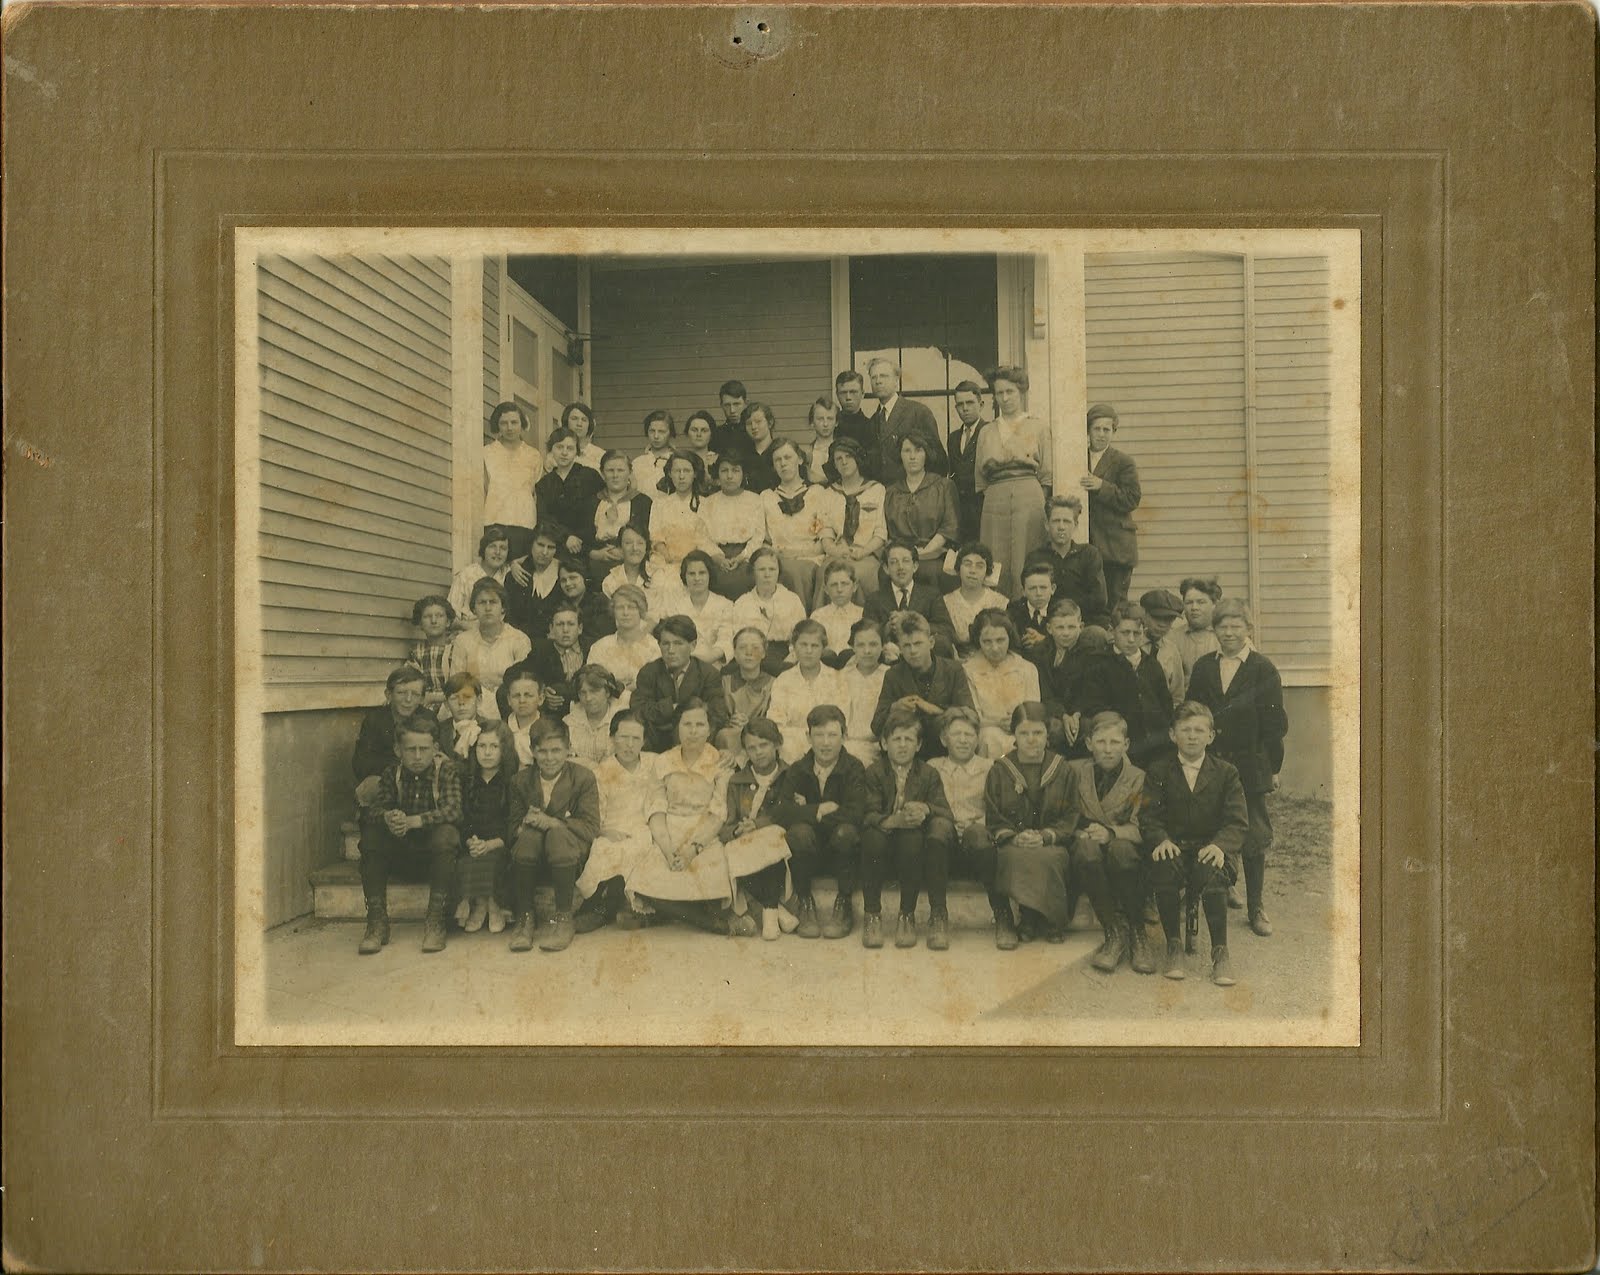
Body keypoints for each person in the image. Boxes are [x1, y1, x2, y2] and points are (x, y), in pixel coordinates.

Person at [627, 700, 787, 937]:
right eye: (687, 724)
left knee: (709, 884)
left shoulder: (720, 762)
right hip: (667, 834)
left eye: (700, 724)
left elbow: (718, 812)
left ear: (710, 729)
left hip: (705, 835)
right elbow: (656, 809)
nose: (693, 731)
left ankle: (679, 913)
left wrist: (692, 849)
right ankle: (714, 924)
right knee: (643, 885)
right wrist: (669, 849)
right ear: (677, 727)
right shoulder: (663, 761)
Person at [1186, 599, 1288, 938]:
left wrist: (1273, 767)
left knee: (1254, 834)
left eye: (1236, 627)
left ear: (1248, 630)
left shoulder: (1263, 669)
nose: (1229, 633)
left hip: (1251, 764)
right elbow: (1192, 712)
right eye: (1223, 627)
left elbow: (1274, 723)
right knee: (1213, 826)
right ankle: (1224, 887)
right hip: (1212, 763)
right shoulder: (1203, 668)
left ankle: (1256, 905)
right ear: (1214, 631)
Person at [1141, 701, 1249, 985]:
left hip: (1210, 845)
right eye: (1185, 730)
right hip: (1175, 845)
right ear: (1172, 734)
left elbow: (1237, 821)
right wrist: (1161, 839)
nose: (1192, 736)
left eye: (1199, 730)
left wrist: (1220, 845)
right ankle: (1173, 945)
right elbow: (1149, 815)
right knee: (1163, 867)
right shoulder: (1159, 770)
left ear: (1211, 736)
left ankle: (1220, 953)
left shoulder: (1226, 772)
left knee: (1213, 872)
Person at [357, 711, 463, 955]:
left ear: (435, 748)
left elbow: (454, 811)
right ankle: (376, 921)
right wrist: (387, 816)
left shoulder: (445, 770)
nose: (417, 756)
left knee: (447, 834)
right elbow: (372, 810)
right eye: (410, 749)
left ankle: (435, 920)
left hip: (435, 857)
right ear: (398, 750)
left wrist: (417, 821)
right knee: (372, 837)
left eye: (424, 749)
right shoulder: (392, 773)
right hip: (402, 853)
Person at [859, 709, 957, 950]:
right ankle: (872, 914)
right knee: (872, 837)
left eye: (909, 739)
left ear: (919, 744)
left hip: (913, 851)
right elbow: (867, 813)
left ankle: (907, 915)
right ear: (884, 743)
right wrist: (892, 821)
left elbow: (946, 813)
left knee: (912, 837)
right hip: (881, 844)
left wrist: (925, 808)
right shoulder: (874, 772)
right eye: (896, 739)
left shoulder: (928, 773)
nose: (902, 746)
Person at [769, 704, 868, 939]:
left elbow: (856, 812)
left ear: (844, 736)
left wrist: (805, 812)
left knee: (846, 832)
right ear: (808, 737)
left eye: (833, 735)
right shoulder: (798, 769)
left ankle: (843, 903)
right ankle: (805, 902)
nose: (825, 743)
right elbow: (780, 812)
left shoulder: (854, 768)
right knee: (799, 833)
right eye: (819, 735)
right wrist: (818, 810)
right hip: (808, 854)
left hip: (841, 853)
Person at [1067, 711, 1153, 975]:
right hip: (1086, 841)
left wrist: (1111, 833)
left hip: (1120, 843)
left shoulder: (1138, 777)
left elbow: (1143, 827)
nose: (1107, 749)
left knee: (1122, 851)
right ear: (1089, 744)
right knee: (1085, 850)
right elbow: (1063, 812)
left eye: (1115, 743)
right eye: (1101, 742)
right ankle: (1113, 930)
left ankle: (1138, 932)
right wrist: (1079, 831)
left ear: (1126, 745)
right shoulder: (1074, 771)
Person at [506, 719, 602, 953]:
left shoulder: (583, 778)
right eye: (543, 751)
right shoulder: (521, 781)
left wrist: (553, 822)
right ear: (532, 751)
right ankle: (525, 917)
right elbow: (511, 830)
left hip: (568, 858)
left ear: (568, 748)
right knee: (528, 836)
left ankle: (563, 918)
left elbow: (591, 828)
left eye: (557, 750)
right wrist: (526, 823)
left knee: (557, 835)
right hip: (532, 858)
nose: (550, 758)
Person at [985, 702, 1078, 943]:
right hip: (1015, 841)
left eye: (1038, 733)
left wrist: (1046, 836)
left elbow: (1070, 815)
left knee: (1051, 857)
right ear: (1014, 735)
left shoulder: (1063, 769)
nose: (1031, 740)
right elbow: (994, 815)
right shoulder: (1000, 769)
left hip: (1050, 842)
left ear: (1048, 734)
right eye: (1023, 733)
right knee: (1016, 856)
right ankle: (1027, 916)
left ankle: (1049, 919)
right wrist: (1016, 836)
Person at [929, 707, 1014, 948]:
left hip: (978, 846)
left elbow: (998, 810)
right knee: (937, 828)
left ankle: (1002, 915)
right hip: (942, 845)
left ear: (977, 739)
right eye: (957, 734)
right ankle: (938, 916)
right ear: (944, 739)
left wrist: (975, 825)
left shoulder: (991, 768)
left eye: (969, 734)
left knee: (977, 834)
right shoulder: (932, 767)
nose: (964, 740)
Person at [572, 710, 659, 932]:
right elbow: (596, 810)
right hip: (612, 825)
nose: (629, 745)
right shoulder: (603, 771)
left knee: (638, 846)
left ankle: (611, 907)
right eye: (623, 737)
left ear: (644, 741)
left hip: (645, 825)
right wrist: (603, 831)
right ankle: (596, 904)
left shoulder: (654, 763)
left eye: (636, 738)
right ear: (612, 739)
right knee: (604, 849)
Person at [714, 718, 800, 941]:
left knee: (768, 840)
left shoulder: (790, 776)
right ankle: (776, 911)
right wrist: (737, 832)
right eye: (751, 748)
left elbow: (789, 813)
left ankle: (770, 912)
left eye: (764, 745)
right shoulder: (737, 781)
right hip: (744, 847)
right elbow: (726, 826)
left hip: (777, 846)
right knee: (735, 850)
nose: (758, 752)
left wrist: (758, 825)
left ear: (777, 744)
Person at [975, 366, 1051, 594]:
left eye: (1010, 392)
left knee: (1027, 556)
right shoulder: (986, 431)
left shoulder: (1038, 426)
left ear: (1021, 392)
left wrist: (1038, 504)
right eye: (999, 393)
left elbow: (1046, 474)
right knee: (995, 558)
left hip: (1029, 496)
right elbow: (980, 479)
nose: (1005, 398)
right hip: (995, 498)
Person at [871, 610, 974, 757]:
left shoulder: (953, 670)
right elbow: (876, 727)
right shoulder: (893, 675)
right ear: (899, 648)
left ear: (931, 642)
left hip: (945, 752)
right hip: (908, 754)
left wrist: (935, 710)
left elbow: (970, 717)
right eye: (906, 645)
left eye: (918, 643)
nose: (913, 651)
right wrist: (895, 707)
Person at [1084, 601, 1174, 769]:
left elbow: (1166, 708)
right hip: (1121, 751)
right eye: (1125, 633)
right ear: (1112, 631)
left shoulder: (1152, 665)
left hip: (1158, 751)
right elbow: (1095, 710)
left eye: (1137, 633)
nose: (1131, 639)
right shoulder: (1100, 665)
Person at [632, 615, 730, 753]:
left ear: (693, 645)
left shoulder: (708, 673)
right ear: (659, 645)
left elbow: (718, 715)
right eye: (665, 643)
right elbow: (638, 711)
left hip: (698, 743)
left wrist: (685, 716)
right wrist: (671, 707)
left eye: (678, 643)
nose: (671, 650)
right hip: (657, 744)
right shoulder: (649, 672)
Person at [762, 438, 843, 604]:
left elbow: (824, 537)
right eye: (778, 460)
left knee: (798, 572)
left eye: (788, 457)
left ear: (799, 459)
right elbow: (763, 539)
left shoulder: (817, 493)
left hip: (810, 558)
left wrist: (799, 554)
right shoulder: (767, 497)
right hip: (778, 558)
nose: (783, 463)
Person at [458, 722, 517, 935]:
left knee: (495, 859)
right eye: (482, 746)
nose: (488, 752)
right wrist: (470, 841)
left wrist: (492, 844)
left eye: (494, 746)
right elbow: (461, 819)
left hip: (500, 842)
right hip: (475, 841)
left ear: (505, 750)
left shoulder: (513, 781)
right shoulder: (468, 781)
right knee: (468, 858)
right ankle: (480, 905)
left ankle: (494, 904)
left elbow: (513, 822)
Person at [1031, 597, 1108, 759]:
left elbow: (1091, 691)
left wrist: (1076, 714)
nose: (1066, 633)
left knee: (1088, 727)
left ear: (1081, 627)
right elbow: (1044, 691)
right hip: (1053, 711)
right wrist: (1063, 715)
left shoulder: (1091, 652)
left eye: (1071, 627)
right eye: (1060, 627)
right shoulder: (1039, 652)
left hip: (1082, 710)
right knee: (1053, 728)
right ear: (1049, 628)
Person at [1082, 403, 1142, 609]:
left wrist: (1102, 486)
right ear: (1088, 430)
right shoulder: (1076, 458)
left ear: (1114, 432)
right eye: (1096, 429)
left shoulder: (1123, 461)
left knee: (1116, 604)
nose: (1101, 434)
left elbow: (1132, 498)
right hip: (1089, 542)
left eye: (1106, 430)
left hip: (1116, 546)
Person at [446, 578, 531, 721]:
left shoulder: (519, 640)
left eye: (493, 602)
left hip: (509, 708)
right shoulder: (463, 641)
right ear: (474, 609)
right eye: (481, 602)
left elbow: (523, 683)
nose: (487, 608)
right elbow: (457, 682)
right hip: (472, 708)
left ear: (503, 607)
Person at [964, 608, 1043, 758]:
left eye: (1000, 640)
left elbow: (1034, 712)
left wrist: (1017, 723)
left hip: (1024, 731)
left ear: (1010, 637)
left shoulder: (1027, 668)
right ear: (978, 640)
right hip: (986, 733)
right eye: (987, 642)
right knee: (989, 737)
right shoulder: (968, 671)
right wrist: (997, 723)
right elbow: (972, 717)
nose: (994, 648)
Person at [884, 433, 961, 588]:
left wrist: (924, 552)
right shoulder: (891, 491)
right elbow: (886, 531)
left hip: (934, 554)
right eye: (907, 451)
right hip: (900, 554)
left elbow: (949, 527)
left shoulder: (943, 486)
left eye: (918, 450)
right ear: (900, 455)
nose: (912, 456)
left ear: (927, 454)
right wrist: (905, 555)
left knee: (931, 572)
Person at [767, 619, 846, 764]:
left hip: (827, 742)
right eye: (803, 645)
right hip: (792, 746)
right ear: (794, 647)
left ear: (823, 649)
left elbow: (840, 720)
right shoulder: (783, 680)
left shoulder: (836, 678)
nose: (809, 651)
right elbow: (776, 723)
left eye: (815, 646)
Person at [1030, 495, 1110, 634]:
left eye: (1066, 521)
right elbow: (1031, 597)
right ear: (1047, 525)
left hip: (1084, 623)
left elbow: (1098, 599)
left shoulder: (1089, 554)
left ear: (1076, 525)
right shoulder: (1036, 557)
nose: (1061, 527)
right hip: (1049, 624)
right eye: (1056, 521)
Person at [822, 435, 888, 602]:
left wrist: (863, 551)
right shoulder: (829, 493)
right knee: (825, 573)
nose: (844, 462)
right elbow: (826, 531)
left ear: (858, 458)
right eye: (839, 459)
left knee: (856, 574)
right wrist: (836, 550)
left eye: (849, 456)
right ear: (834, 464)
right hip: (838, 554)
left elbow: (881, 532)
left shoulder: (876, 489)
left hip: (866, 555)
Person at [863, 539, 956, 655]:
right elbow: (866, 635)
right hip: (889, 658)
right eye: (894, 562)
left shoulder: (932, 595)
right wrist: (888, 627)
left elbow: (948, 631)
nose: (900, 567)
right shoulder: (874, 599)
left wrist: (912, 621)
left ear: (915, 566)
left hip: (923, 658)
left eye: (906, 561)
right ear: (886, 568)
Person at [352, 666, 427, 810]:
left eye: (415, 694)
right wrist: (397, 769)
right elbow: (360, 763)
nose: (408, 700)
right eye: (401, 693)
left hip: (419, 781)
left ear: (422, 699)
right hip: (386, 777)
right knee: (371, 786)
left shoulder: (427, 719)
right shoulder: (375, 720)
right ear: (388, 694)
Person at [500, 601, 588, 722]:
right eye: (560, 624)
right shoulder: (541, 651)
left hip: (586, 709)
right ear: (551, 629)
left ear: (580, 628)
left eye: (571, 624)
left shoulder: (590, 648)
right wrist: (542, 691)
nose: (565, 630)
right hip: (553, 717)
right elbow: (511, 674)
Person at [867, 356, 948, 484]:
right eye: (874, 377)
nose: (878, 381)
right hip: (885, 497)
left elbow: (938, 460)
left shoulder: (918, 412)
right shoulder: (873, 421)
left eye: (884, 376)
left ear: (896, 381)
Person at [728, 546, 807, 675]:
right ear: (753, 572)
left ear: (778, 572)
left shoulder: (792, 600)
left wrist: (791, 659)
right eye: (761, 569)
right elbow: (737, 638)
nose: (767, 575)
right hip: (750, 654)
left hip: (783, 655)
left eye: (772, 569)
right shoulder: (743, 603)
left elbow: (801, 635)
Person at [701, 452, 767, 600]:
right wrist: (718, 557)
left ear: (743, 474)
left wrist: (742, 557)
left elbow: (758, 535)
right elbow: (702, 536)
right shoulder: (708, 503)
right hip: (716, 556)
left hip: (745, 555)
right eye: (724, 471)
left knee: (744, 579)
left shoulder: (754, 500)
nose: (729, 476)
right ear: (717, 474)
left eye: (735, 470)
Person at [481, 402, 541, 560]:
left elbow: (535, 490)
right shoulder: (487, 453)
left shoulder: (533, 455)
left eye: (514, 422)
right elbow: (484, 488)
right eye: (504, 423)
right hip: (495, 521)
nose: (509, 428)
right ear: (497, 426)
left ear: (522, 424)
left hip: (525, 524)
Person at [584, 449, 652, 585]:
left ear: (629, 473)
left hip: (630, 563)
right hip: (597, 561)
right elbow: (583, 537)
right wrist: (595, 553)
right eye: (610, 470)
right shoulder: (592, 502)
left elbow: (647, 538)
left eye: (620, 470)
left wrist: (625, 552)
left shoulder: (643, 502)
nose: (615, 475)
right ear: (602, 474)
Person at [536, 426, 605, 558]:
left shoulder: (590, 476)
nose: (564, 453)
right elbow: (544, 517)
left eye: (570, 448)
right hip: (558, 545)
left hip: (590, 546)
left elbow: (603, 505)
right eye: (559, 447)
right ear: (551, 450)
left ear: (577, 452)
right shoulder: (545, 484)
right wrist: (566, 537)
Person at [586, 583, 660, 700]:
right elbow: (591, 683)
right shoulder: (600, 647)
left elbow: (656, 686)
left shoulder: (653, 647)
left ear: (640, 611)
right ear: (613, 611)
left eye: (631, 607)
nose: (625, 613)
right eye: (620, 607)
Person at [601, 524, 684, 623]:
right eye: (628, 543)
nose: (635, 548)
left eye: (640, 543)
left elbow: (662, 615)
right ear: (620, 547)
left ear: (646, 547)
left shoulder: (659, 575)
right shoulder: (610, 581)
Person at [941, 542, 1010, 655]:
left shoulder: (1000, 602)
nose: (973, 571)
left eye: (979, 566)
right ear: (959, 568)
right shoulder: (946, 602)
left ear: (987, 571)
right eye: (967, 564)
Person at [716, 626, 776, 754]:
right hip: (731, 736)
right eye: (742, 647)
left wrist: (752, 724)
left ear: (764, 653)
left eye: (755, 648)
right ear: (735, 653)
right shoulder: (724, 682)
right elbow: (717, 714)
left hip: (761, 736)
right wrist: (729, 721)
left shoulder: (774, 684)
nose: (749, 653)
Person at [650, 451, 713, 570]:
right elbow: (656, 538)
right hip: (665, 562)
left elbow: (707, 541)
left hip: (695, 565)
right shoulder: (659, 504)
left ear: (694, 474)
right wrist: (669, 559)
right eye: (677, 471)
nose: (681, 476)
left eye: (687, 471)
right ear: (669, 473)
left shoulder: (705, 504)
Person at [839, 618, 889, 765]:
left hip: (878, 746)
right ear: (853, 647)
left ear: (883, 646)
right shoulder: (842, 676)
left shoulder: (889, 676)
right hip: (845, 743)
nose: (867, 651)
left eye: (873, 644)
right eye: (860, 645)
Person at [1165, 576, 1224, 699]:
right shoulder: (1171, 638)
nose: (1194, 608)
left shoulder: (1226, 636)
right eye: (1189, 602)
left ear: (1214, 604)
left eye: (1201, 602)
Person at [946, 379, 989, 544]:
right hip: (960, 510)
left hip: (983, 507)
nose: (965, 408)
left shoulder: (990, 431)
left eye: (970, 403)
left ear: (981, 404)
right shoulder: (953, 438)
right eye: (960, 404)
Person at [502, 524, 563, 640]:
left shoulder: (562, 575)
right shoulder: (515, 576)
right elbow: (510, 617)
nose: (545, 552)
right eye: (540, 545)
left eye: (551, 547)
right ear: (531, 544)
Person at [447, 526, 512, 633]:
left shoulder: (509, 575)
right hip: (469, 632)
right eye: (492, 546)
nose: (498, 552)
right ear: (483, 549)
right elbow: (449, 615)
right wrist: (468, 626)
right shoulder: (466, 575)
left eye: (503, 548)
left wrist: (514, 563)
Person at [677, 550, 734, 668]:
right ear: (684, 576)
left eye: (702, 573)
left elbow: (726, 640)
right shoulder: (676, 606)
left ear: (710, 575)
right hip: (682, 666)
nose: (697, 578)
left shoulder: (725, 605)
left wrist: (707, 659)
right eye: (692, 574)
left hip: (714, 667)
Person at [563, 663, 625, 767]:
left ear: (607, 692)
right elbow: (565, 760)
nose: (588, 698)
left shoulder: (622, 722)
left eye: (594, 691)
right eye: (583, 693)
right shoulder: (569, 723)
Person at [437, 672, 496, 777]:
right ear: (446, 704)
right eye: (454, 698)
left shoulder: (490, 729)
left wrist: (451, 765)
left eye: (467, 697)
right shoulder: (439, 730)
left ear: (479, 700)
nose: (461, 703)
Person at [404, 594, 456, 710]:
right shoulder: (417, 651)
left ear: (448, 622)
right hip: (425, 707)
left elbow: (461, 685)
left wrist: (433, 698)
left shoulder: (456, 648)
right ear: (420, 624)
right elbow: (409, 681)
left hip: (453, 705)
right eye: (427, 616)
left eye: (439, 616)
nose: (433, 621)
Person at [1139, 587, 1188, 705]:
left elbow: (1177, 696)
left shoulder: (1171, 650)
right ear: (1144, 614)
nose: (1162, 624)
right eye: (1156, 617)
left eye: (1168, 619)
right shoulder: (1131, 644)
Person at [812, 560, 865, 668]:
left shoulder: (862, 615)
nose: (839, 590)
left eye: (844, 584)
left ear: (854, 586)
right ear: (825, 589)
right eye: (834, 585)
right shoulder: (818, 616)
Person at [556, 557, 615, 644]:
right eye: (563, 580)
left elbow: (602, 638)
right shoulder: (559, 605)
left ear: (584, 578)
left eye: (573, 578)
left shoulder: (600, 602)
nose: (568, 583)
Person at [832, 369, 880, 473]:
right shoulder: (831, 426)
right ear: (837, 395)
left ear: (862, 394)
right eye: (843, 393)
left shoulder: (871, 427)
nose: (848, 397)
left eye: (853, 392)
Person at [1006, 561, 1057, 654]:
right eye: (1032, 588)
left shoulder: (1059, 610)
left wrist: (1044, 640)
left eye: (1043, 588)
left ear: (1052, 589)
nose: (1038, 593)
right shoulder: (1013, 610)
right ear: (1023, 591)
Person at [500, 668, 544, 768]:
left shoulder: (549, 728)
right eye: (516, 696)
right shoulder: (501, 729)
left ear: (540, 699)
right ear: (509, 699)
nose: (522, 700)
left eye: (528, 695)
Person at [631, 408, 678, 494]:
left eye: (661, 431)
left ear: (670, 433)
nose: (656, 436)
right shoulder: (637, 463)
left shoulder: (677, 461)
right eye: (652, 431)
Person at [738, 402, 780, 493]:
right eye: (749, 423)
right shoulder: (743, 456)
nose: (753, 427)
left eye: (758, 422)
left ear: (770, 422)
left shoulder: (780, 451)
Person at [558, 401, 607, 472]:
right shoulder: (557, 453)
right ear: (566, 421)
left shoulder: (600, 456)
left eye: (584, 420)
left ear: (589, 425)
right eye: (574, 418)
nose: (579, 424)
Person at [804, 395, 840, 483]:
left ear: (836, 422)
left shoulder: (842, 450)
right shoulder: (807, 453)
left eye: (830, 419)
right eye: (820, 419)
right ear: (812, 423)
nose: (825, 424)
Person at [681, 410, 720, 489]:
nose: (699, 434)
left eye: (704, 430)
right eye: (694, 430)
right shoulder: (681, 460)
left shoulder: (720, 460)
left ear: (711, 434)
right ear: (687, 433)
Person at [712, 379, 749, 458]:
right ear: (721, 405)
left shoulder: (754, 431)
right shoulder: (716, 434)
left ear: (746, 403)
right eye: (727, 405)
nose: (732, 410)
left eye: (736, 404)